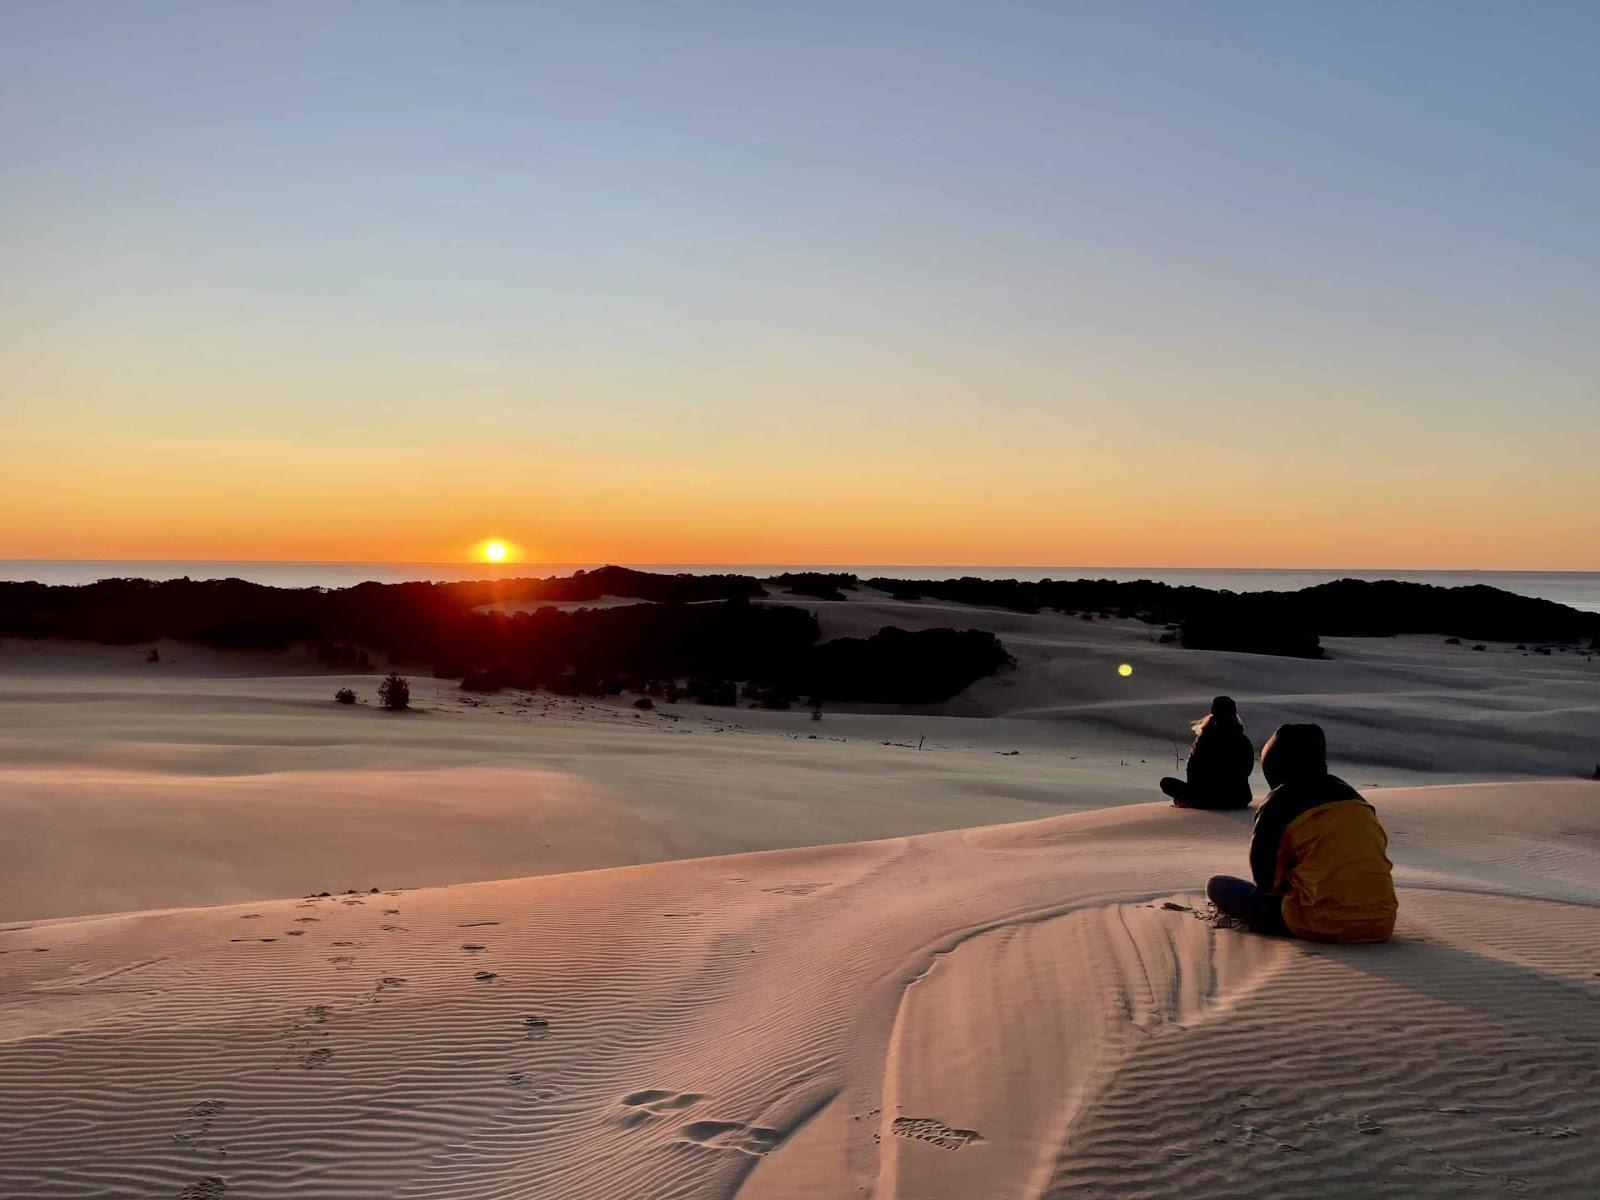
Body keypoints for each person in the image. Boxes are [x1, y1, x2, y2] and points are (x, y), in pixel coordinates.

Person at [1207, 723, 1397, 942]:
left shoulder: (1279, 804)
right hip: (1381, 923)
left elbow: (1266, 883)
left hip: (1318, 923)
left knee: (1217, 886)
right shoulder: (1357, 801)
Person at [1159, 695, 1254, 810]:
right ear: (1234, 715)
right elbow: (1247, 769)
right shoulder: (1243, 739)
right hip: (1239, 799)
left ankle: (1186, 802)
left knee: (1166, 783)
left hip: (1206, 800)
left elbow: (1193, 770)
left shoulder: (1205, 738)